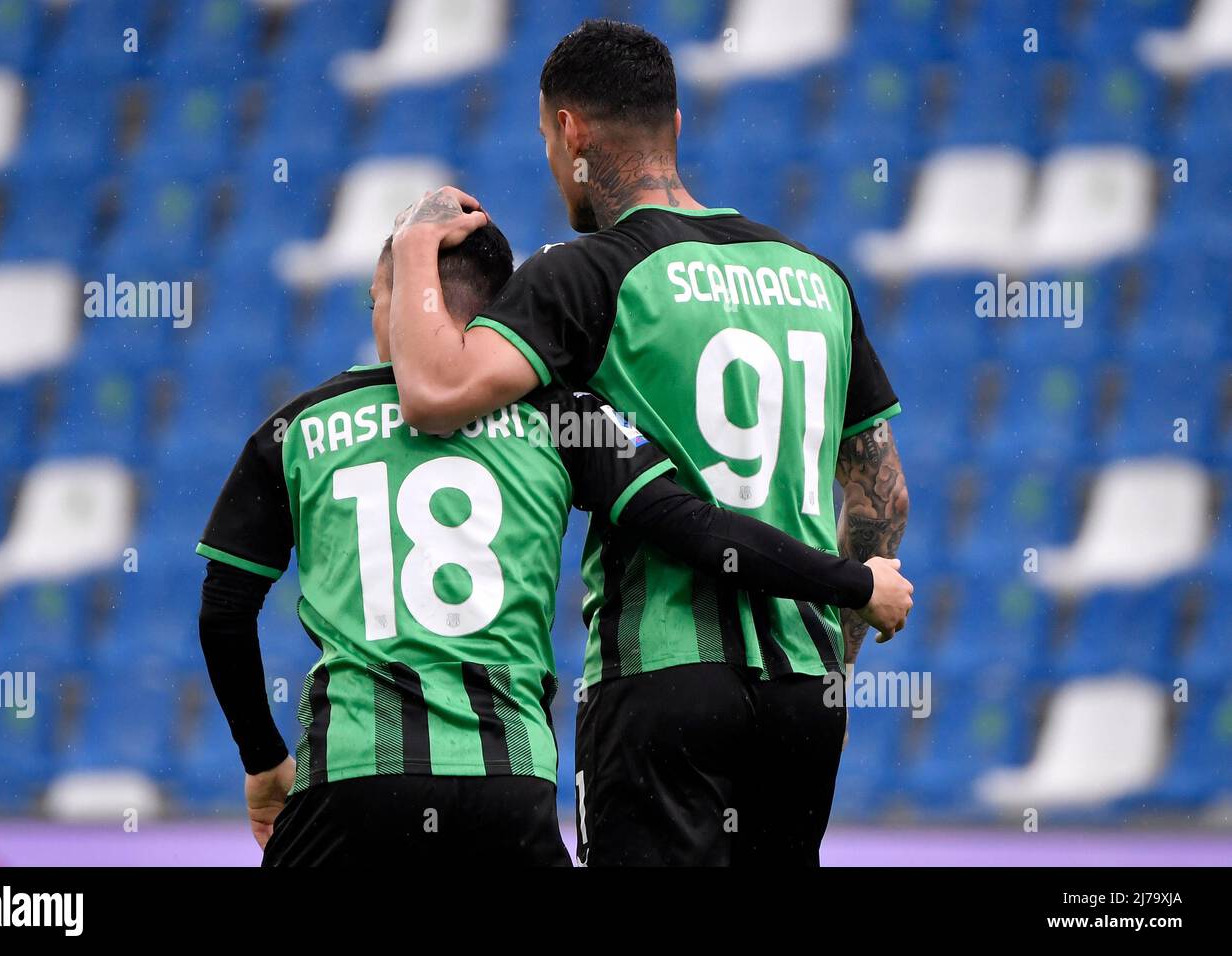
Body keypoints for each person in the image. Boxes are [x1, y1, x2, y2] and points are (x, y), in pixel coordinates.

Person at [197, 222, 913, 866]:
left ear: (398, 298)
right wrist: (853, 583)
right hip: (510, 790)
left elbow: (224, 613)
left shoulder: (295, 430)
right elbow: (700, 529)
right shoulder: (566, 418)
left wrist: (263, 761)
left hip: (350, 785)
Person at [385, 21, 910, 865]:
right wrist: (831, 661)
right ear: (675, 122)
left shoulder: (587, 272)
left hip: (662, 678)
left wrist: (414, 243)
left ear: (570, 132)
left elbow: (435, 393)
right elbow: (883, 497)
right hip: (804, 691)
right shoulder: (817, 276)